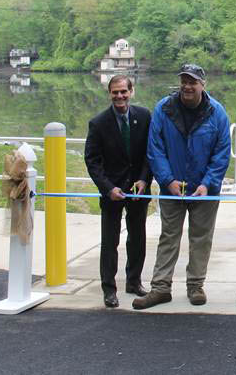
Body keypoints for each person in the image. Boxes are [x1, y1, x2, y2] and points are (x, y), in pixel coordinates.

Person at [133, 64, 231, 310]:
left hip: (204, 191)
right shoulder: (163, 109)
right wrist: (167, 180)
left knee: (201, 238)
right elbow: (155, 148)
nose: (188, 86)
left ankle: (195, 285)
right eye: (184, 81)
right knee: (168, 237)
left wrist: (208, 184)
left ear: (202, 85)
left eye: (193, 82)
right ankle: (161, 288)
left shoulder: (217, 113)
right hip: (171, 188)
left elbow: (222, 154)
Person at [84, 74, 152, 308]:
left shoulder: (144, 117)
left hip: (138, 190)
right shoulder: (98, 123)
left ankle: (133, 281)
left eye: (124, 91)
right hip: (112, 191)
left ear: (131, 92)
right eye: (115, 92)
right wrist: (108, 188)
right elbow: (92, 161)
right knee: (110, 241)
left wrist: (144, 180)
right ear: (109, 94)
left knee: (138, 239)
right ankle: (109, 289)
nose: (120, 96)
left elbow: (149, 154)